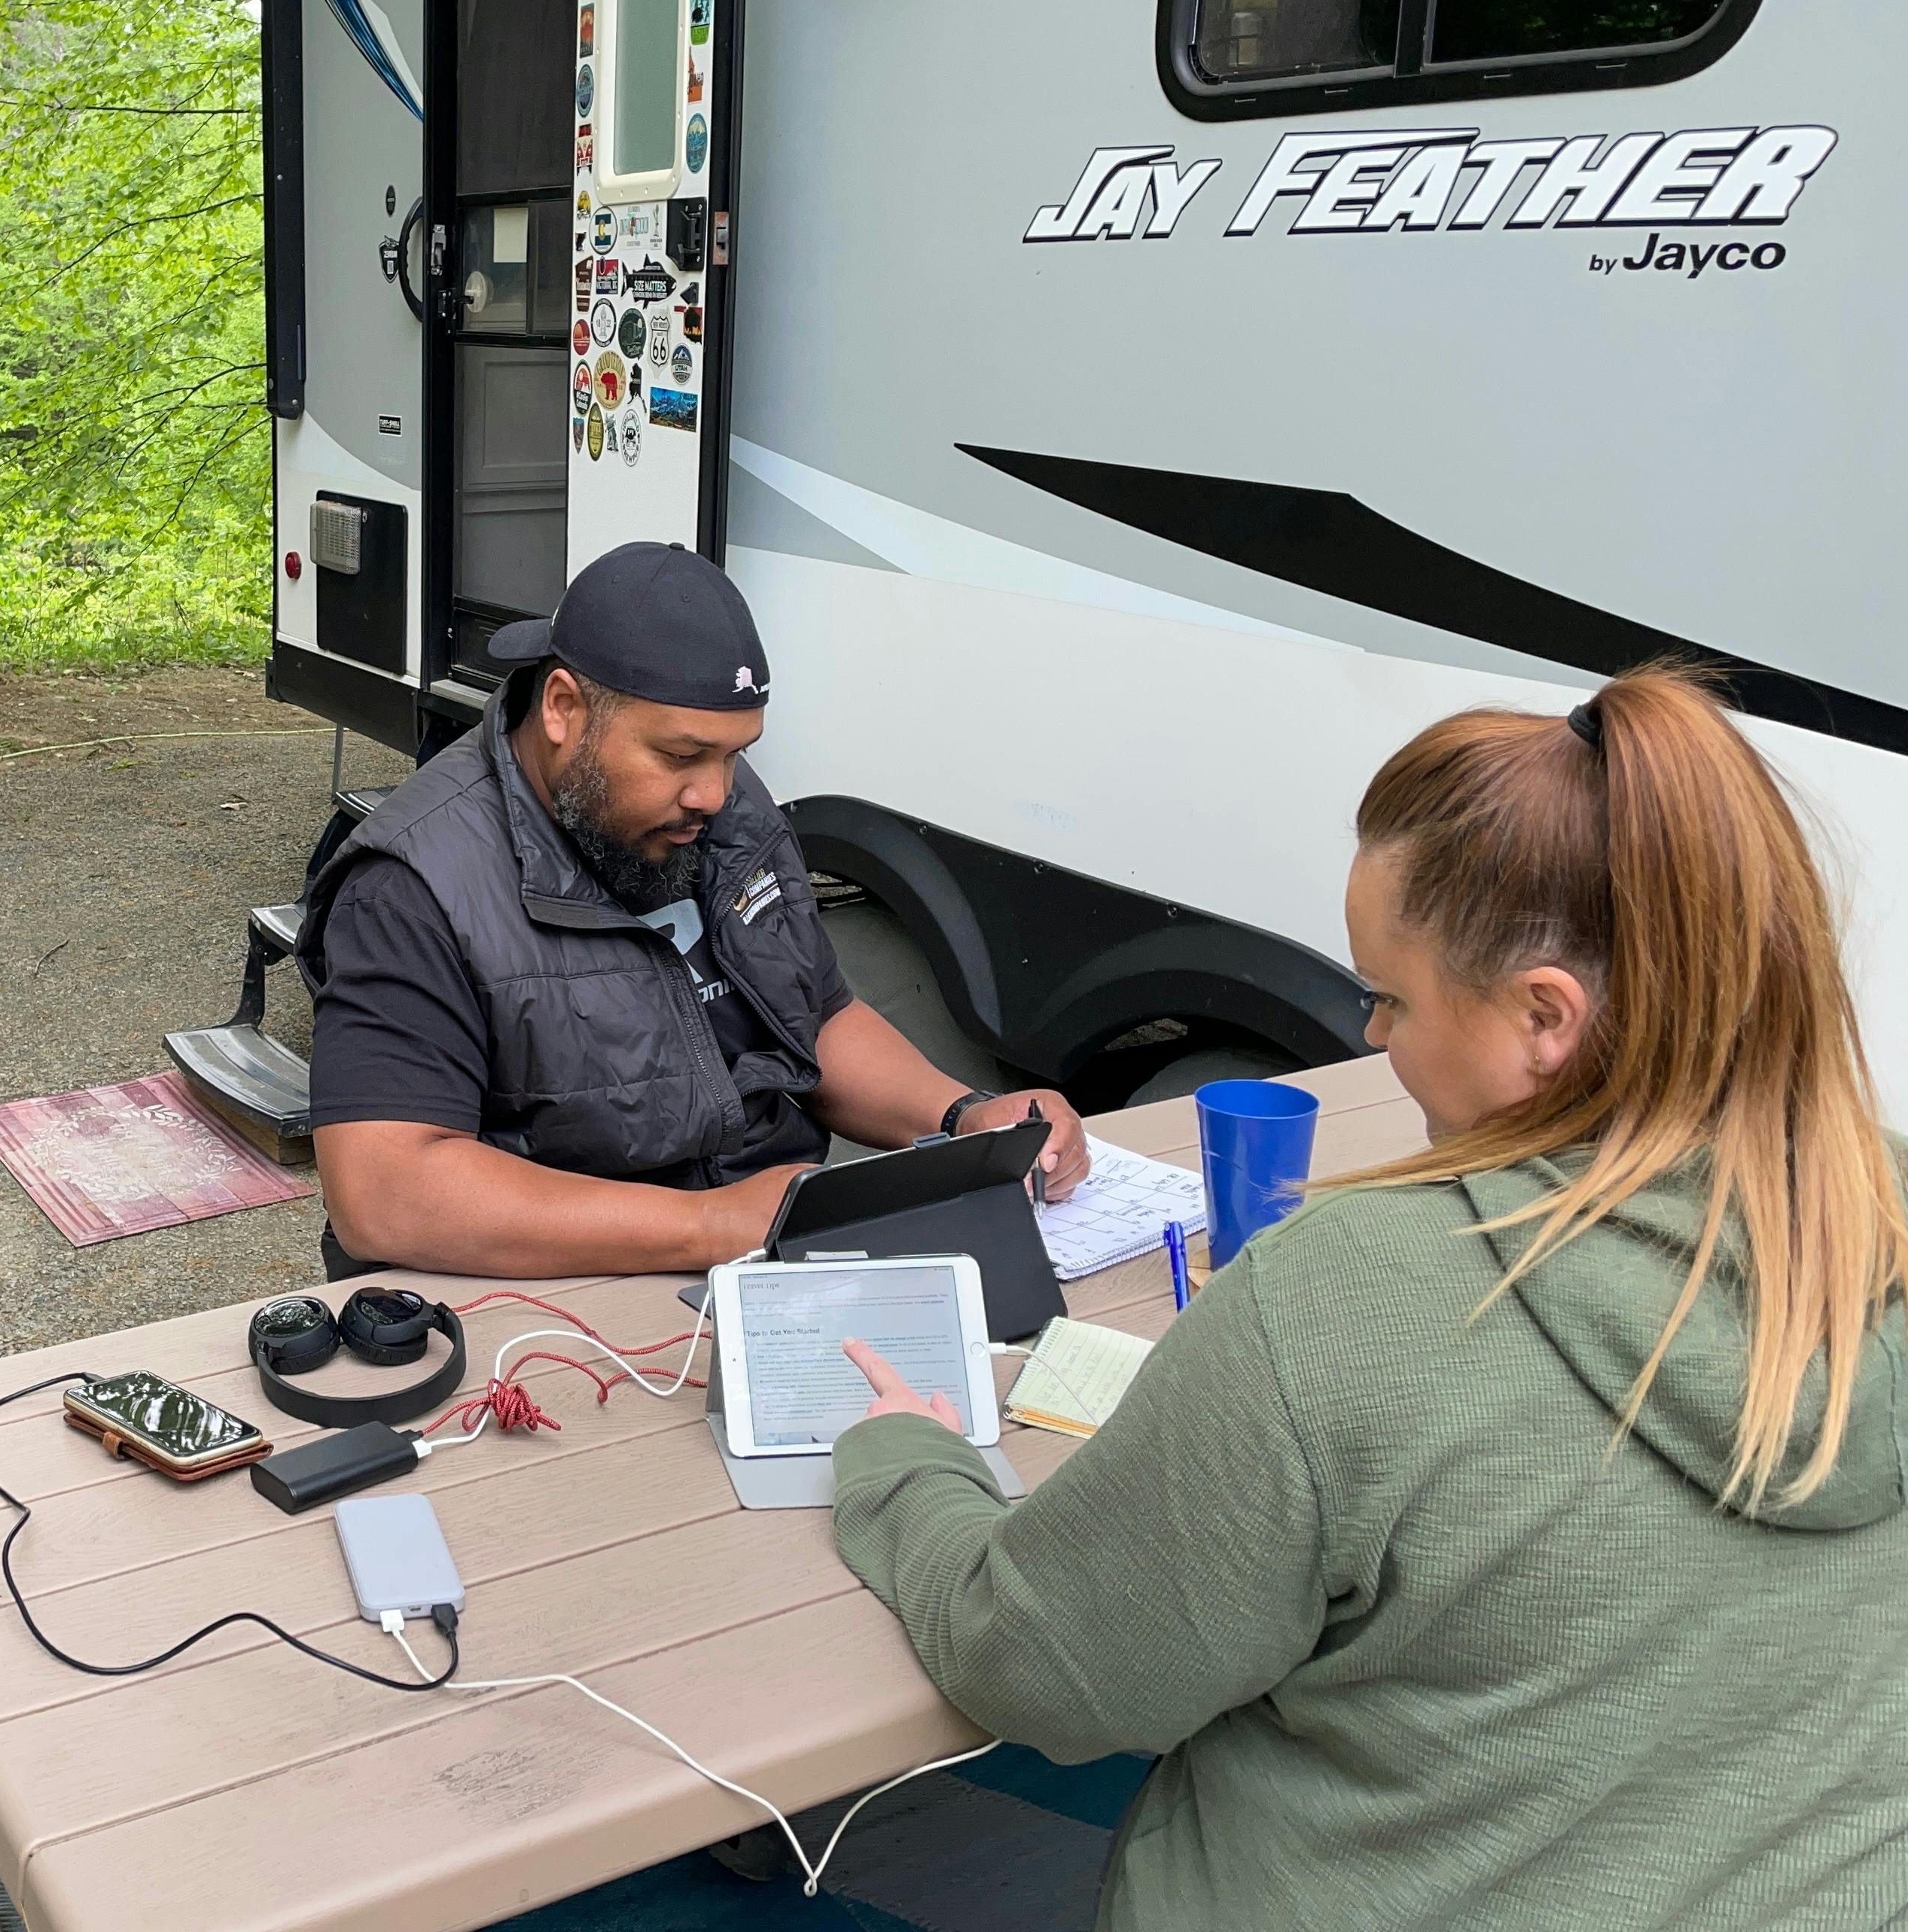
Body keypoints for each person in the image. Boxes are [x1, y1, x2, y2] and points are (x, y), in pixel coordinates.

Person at [831, 666, 1908, 1932]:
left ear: (1542, 1017)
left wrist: (909, 1459)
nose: (1374, 1034)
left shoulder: (1347, 1292)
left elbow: (1043, 1667)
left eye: (1389, 995)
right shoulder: (1873, 1203)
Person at [297, 541, 1086, 1279]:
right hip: (555, 1293)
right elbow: (385, 1191)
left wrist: (965, 1116)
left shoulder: (722, 807)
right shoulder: (414, 884)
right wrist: (705, 1225)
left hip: (758, 1252)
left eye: (734, 753)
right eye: (678, 756)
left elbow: (812, 1015)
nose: (713, 792)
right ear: (564, 709)